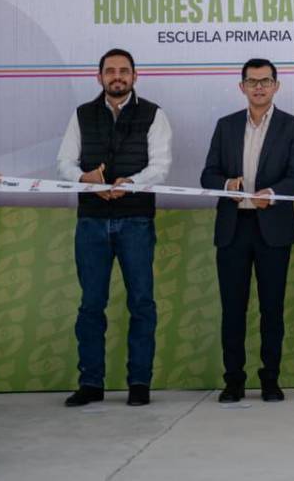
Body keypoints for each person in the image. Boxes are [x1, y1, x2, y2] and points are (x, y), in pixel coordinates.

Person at [57, 48, 172, 407]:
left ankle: (139, 383)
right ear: (100, 77)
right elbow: (64, 162)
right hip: (91, 221)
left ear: (135, 76)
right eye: (110, 71)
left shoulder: (154, 114)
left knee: (142, 303)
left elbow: (160, 166)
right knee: (91, 304)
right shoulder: (82, 114)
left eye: (124, 71)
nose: (117, 76)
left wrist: (131, 183)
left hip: (136, 219)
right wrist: (84, 178)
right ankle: (91, 383)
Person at [201, 58, 294, 404]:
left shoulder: (293, 126)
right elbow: (208, 174)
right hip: (233, 228)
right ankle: (233, 381)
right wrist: (227, 185)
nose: (259, 87)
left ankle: (270, 380)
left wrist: (272, 194)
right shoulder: (226, 125)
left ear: (276, 86)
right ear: (242, 87)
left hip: (273, 229)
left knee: (272, 309)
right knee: (233, 309)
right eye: (252, 81)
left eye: (265, 81)